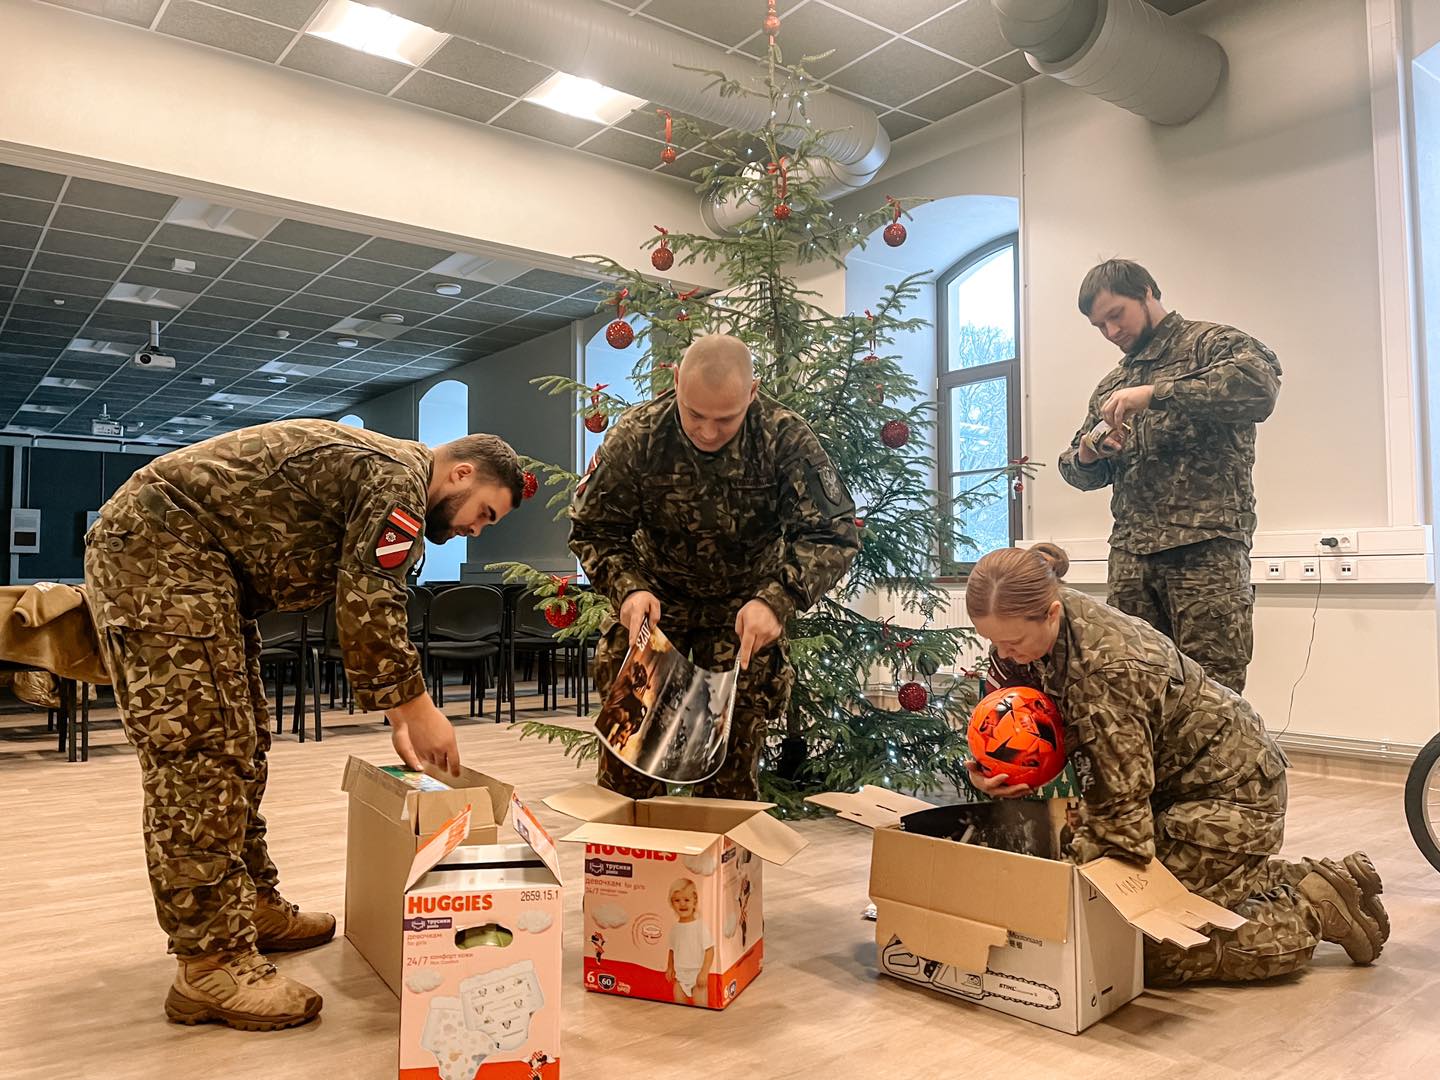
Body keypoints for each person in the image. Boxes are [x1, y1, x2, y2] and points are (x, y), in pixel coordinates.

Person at [84, 418, 522, 1030]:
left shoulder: (392, 478)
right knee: (202, 753)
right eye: (485, 513)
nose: (476, 527)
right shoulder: (399, 479)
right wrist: (415, 707)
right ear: (460, 473)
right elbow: (369, 600)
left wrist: (401, 710)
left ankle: (251, 906)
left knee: (242, 742)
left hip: (205, 569)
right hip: (162, 550)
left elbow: (363, 597)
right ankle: (210, 964)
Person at [963, 543, 1389, 986]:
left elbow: (1121, 829)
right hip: (1172, 790)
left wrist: (1058, 896)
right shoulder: (1036, 626)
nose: (1003, 653)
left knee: (1136, 949)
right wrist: (995, 771)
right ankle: (1306, 879)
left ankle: (1311, 910)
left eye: (1012, 642)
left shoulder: (1107, 672)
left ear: (1051, 613)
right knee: (1103, 914)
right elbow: (1014, 717)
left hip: (1230, 796)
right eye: (993, 641)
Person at [570, 334, 860, 799]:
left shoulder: (784, 438)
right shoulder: (638, 436)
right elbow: (593, 529)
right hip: (654, 620)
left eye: (725, 419)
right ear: (676, 381)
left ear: (752, 392)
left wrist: (776, 600)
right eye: (694, 414)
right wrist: (628, 589)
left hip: (741, 624)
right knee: (626, 792)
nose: (707, 432)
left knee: (728, 797)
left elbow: (833, 533)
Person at [1058, 259, 1282, 693]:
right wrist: (1089, 452)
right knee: (1129, 684)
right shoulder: (1112, 385)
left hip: (1204, 549)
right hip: (1132, 556)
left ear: (1146, 292)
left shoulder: (1211, 344)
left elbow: (1259, 389)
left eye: (1116, 315)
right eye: (1099, 326)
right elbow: (1078, 470)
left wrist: (1156, 394)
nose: (1111, 332)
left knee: (1211, 693)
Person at [665, 877, 713, 1005]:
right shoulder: (675, 929)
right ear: (672, 903)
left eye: (686, 900)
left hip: (697, 974)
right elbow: (672, 950)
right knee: (679, 1005)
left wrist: (704, 972)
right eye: (677, 900)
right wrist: (670, 967)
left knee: (701, 1005)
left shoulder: (700, 926)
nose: (682, 904)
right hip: (680, 977)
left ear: (695, 900)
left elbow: (709, 950)